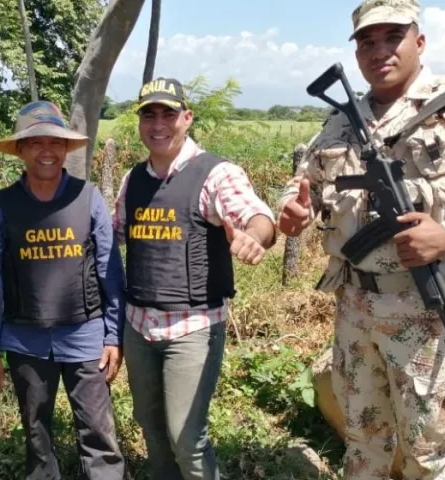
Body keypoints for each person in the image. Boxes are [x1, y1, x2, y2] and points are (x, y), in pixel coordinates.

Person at [278, 1, 445, 478]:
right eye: (366, 41)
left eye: (392, 37)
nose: (379, 50)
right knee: (362, 446)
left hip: (427, 312)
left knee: (426, 457)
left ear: (419, 42)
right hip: (353, 309)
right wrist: (293, 210)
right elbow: (305, 185)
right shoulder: (341, 120)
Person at [113, 77, 277, 480]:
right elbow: (111, 233)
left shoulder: (215, 174)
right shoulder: (133, 180)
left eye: (168, 114)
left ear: (186, 118)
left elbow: (257, 217)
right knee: (151, 429)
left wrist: (255, 238)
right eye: (148, 114)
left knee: (187, 437)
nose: (158, 124)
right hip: (139, 327)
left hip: (192, 328)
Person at [0, 100, 126, 480]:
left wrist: (113, 334)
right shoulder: (2, 206)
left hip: (86, 334)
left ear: (65, 149)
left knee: (98, 432)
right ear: (21, 150)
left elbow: (111, 271)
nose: (47, 151)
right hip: (24, 339)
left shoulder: (88, 198)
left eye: (55, 143)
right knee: (36, 434)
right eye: (36, 143)